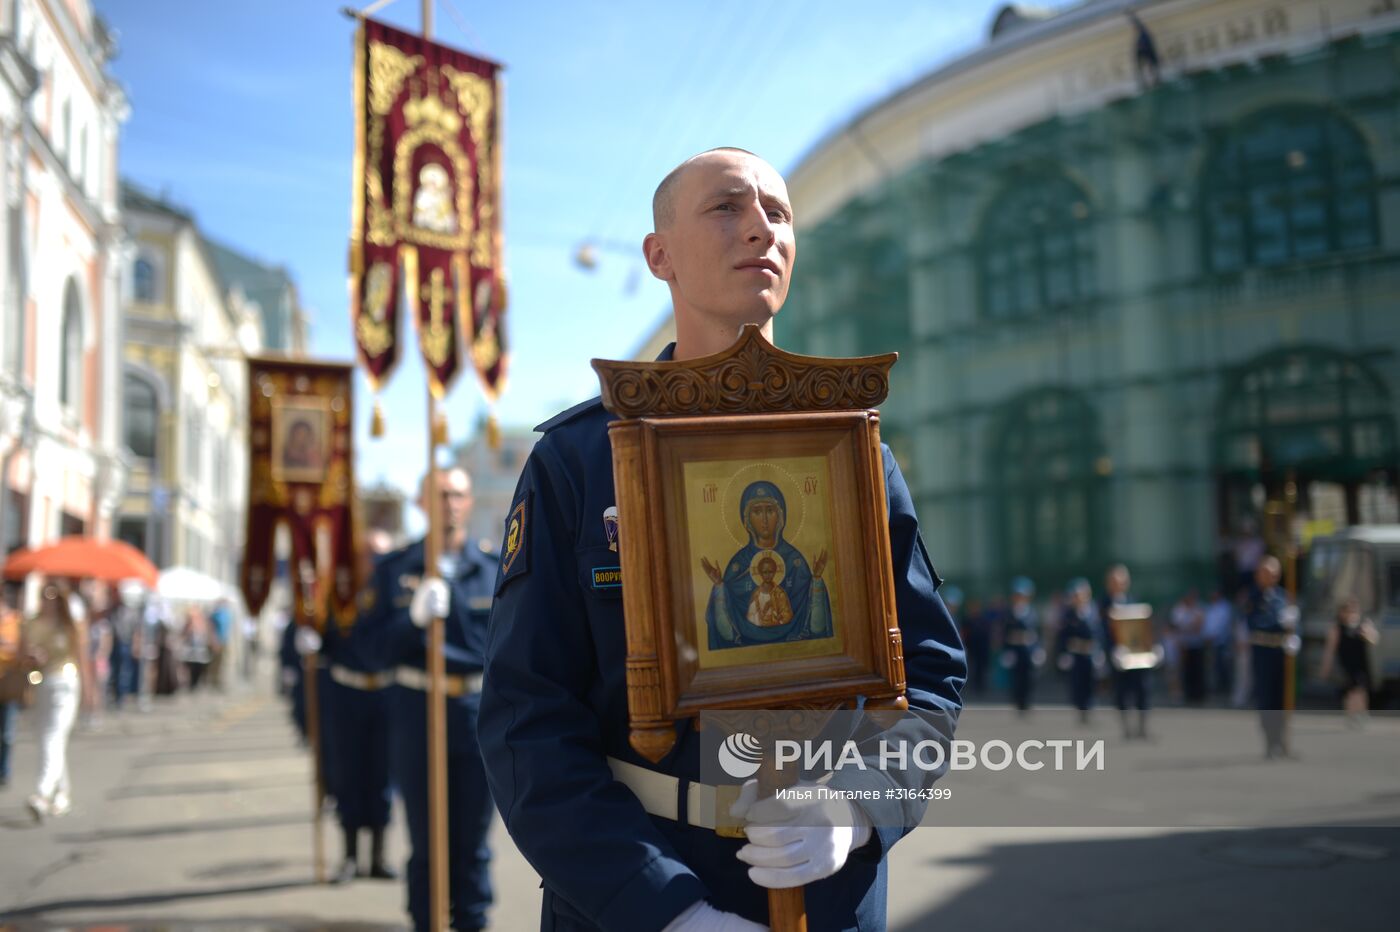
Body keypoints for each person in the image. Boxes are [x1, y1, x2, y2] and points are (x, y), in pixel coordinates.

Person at [478, 148, 967, 930]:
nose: (761, 230)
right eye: (728, 208)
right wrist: (664, 907)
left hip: (828, 889)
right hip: (636, 887)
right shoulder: (580, 459)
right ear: (658, 255)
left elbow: (932, 672)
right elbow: (525, 719)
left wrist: (860, 807)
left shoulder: (854, 450)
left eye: (779, 213)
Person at [357, 467, 497, 931]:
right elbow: (369, 652)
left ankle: (472, 922)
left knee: (473, 841)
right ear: (421, 503)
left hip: (477, 716)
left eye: (457, 494)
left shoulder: (492, 568)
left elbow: (508, 649)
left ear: (469, 501)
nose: (449, 504)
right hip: (418, 713)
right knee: (427, 839)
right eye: (439, 495)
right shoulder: (395, 568)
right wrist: (410, 622)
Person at [321, 538, 398, 885]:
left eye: (381, 554)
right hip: (346, 693)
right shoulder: (339, 591)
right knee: (348, 776)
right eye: (369, 553)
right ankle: (350, 856)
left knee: (383, 777)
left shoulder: (394, 591)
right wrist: (308, 640)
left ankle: (378, 857)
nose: (374, 560)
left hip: (384, 692)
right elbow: (318, 631)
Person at [20, 579, 96, 820]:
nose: (47, 602)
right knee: (49, 738)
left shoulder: (71, 625)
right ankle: (62, 794)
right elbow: (22, 656)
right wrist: (32, 656)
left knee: (52, 736)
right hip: (41, 682)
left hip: (65, 683)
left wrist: (89, 691)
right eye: (44, 596)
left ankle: (43, 793)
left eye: (53, 597)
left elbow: (82, 658)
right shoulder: (31, 623)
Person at [1242, 556, 1297, 758]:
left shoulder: (1283, 597)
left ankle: (1282, 740)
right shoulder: (1252, 598)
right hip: (1263, 652)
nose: (1271, 577)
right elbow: (1255, 624)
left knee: (1282, 698)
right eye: (1267, 573)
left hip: (1281, 653)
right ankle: (1270, 741)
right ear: (1259, 575)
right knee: (1266, 699)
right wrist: (1279, 623)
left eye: (1274, 574)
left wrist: (1293, 633)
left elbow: (1292, 625)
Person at [1101, 564, 1153, 740]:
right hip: (1117, 655)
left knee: (1142, 689)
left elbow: (1141, 628)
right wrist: (1110, 650)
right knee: (1121, 692)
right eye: (1115, 581)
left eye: (1122, 581)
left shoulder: (1133, 600)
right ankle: (1126, 729)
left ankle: (1142, 728)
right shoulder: (1103, 604)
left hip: (1136, 655)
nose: (1119, 584)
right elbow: (1101, 630)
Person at [1319, 596, 1378, 727]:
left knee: (1361, 690)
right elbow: (1329, 650)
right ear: (1341, 613)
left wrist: (1367, 634)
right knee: (1351, 691)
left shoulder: (1364, 625)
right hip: (1346, 665)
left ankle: (1362, 713)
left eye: (1354, 610)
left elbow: (1374, 640)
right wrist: (1325, 668)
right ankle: (1352, 715)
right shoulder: (1337, 628)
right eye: (1348, 611)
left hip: (1361, 664)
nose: (1351, 614)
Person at [1056, 578, 1101, 725]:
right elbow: (1063, 636)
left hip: (1089, 653)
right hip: (1075, 654)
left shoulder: (1093, 612)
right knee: (1077, 684)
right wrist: (1064, 653)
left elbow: (1099, 633)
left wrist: (1100, 652)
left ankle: (1089, 709)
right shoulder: (1069, 615)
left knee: (1090, 683)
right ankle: (1080, 709)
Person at [1000, 577, 1040, 715]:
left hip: (1028, 649)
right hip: (1015, 649)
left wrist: (1037, 650)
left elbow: (1036, 633)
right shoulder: (1009, 613)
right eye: (1018, 595)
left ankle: (1027, 702)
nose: (1020, 598)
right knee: (1016, 677)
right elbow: (1005, 633)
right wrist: (1006, 651)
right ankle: (1018, 702)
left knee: (1028, 677)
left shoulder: (1032, 612)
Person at [0, 582, 23, 788]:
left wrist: (9, 646)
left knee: (7, 732)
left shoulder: (16, 620)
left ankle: (4, 771)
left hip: (9, 681)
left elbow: (22, 650)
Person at [1171, 588, 1207, 705]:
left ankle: (1198, 695)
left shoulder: (1198, 609)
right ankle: (1188, 694)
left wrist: (1189, 627)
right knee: (1186, 671)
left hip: (1196, 645)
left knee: (1198, 671)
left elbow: (1198, 626)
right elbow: (1177, 626)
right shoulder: (1179, 610)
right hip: (1185, 646)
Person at [1202, 589, 1234, 700]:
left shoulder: (1225, 607)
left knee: (1222, 667)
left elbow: (1222, 626)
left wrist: (1212, 636)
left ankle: (1224, 690)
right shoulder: (1210, 607)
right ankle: (1215, 690)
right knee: (1213, 668)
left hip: (1221, 643)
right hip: (1210, 643)